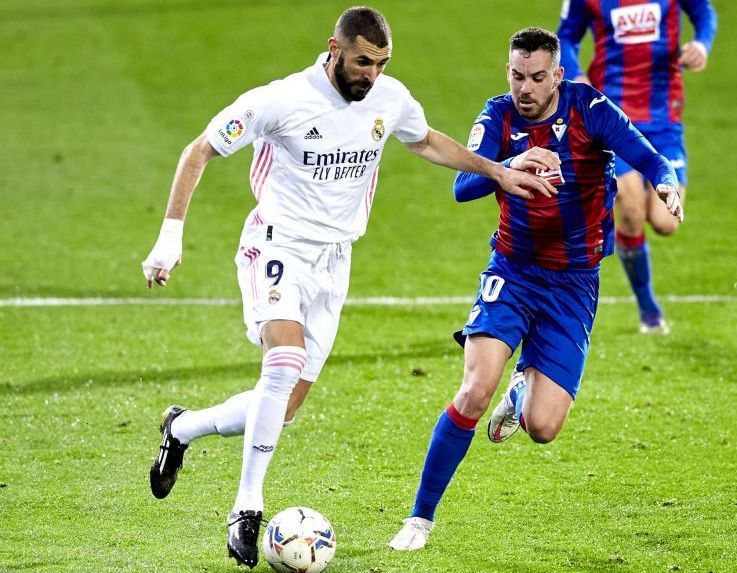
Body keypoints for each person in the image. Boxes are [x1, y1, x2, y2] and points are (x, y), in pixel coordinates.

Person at [141, 7, 555, 569]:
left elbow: (427, 141)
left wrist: (499, 171)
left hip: (335, 263)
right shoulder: (281, 100)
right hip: (277, 243)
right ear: (333, 48)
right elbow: (201, 149)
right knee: (282, 363)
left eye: (381, 63)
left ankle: (181, 428)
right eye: (363, 62)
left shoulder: (387, 98)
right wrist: (170, 237)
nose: (371, 75)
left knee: (281, 408)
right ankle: (246, 507)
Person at [389, 26, 683, 551]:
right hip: (514, 270)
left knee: (543, 427)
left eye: (537, 78)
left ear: (557, 77)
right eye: (516, 75)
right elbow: (462, 187)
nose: (525, 88)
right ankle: (420, 517)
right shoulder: (498, 114)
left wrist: (666, 182)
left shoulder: (590, 109)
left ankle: (524, 386)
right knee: (475, 389)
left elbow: (649, 156)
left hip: (574, 282)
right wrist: (507, 168)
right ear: (509, 72)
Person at [557, 0, 716, 334]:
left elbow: (703, 10)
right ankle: (649, 310)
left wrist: (702, 42)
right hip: (614, 115)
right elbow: (565, 38)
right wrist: (578, 76)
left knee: (665, 221)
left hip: (664, 117)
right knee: (629, 211)